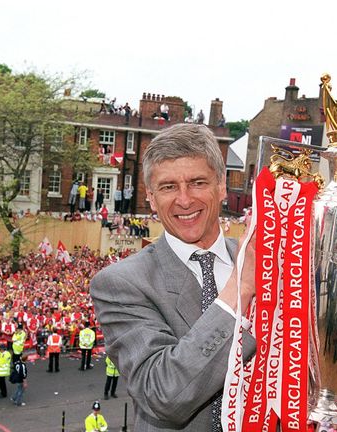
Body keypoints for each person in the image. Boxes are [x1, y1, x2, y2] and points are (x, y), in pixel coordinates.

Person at [90, 123, 257, 431]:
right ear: (151, 198)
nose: (184, 200)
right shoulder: (120, 283)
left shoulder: (268, 264)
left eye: (197, 183)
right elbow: (164, 395)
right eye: (168, 187)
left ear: (222, 187)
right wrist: (241, 288)